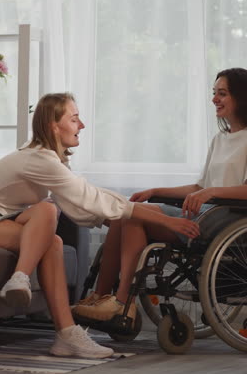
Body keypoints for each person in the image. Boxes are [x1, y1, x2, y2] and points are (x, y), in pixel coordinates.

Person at [0, 92, 199, 359]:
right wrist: (166, 220)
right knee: (50, 224)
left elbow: (79, 206)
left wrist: (121, 219)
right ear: (53, 125)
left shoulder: (52, 161)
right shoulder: (39, 159)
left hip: (3, 219)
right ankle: (38, 300)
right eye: (74, 119)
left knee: (51, 225)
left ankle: (64, 332)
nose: (82, 125)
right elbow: (91, 198)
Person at [73, 67, 247, 326]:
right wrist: (156, 191)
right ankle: (101, 297)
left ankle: (122, 304)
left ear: (241, 98)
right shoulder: (220, 139)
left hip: (224, 221)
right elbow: (198, 186)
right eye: (214, 93)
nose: (214, 99)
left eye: (222, 93)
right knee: (126, 211)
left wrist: (211, 192)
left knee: (132, 218)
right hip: (202, 213)